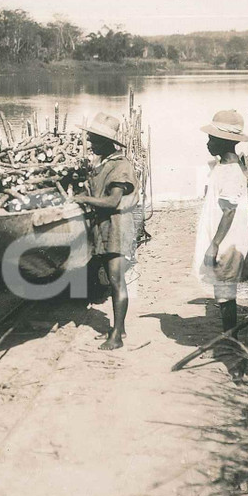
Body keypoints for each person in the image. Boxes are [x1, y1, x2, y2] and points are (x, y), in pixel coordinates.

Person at [74, 112, 138, 351]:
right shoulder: (104, 165)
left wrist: (84, 198)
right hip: (106, 227)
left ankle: (117, 338)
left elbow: (112, 202)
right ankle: (118, 328)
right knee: (113, 280)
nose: (90, 143)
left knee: (116, 280)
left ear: (105, 141)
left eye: (93, 139)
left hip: (118, 226)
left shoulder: (120, 166)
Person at [194, 110, 248, 342]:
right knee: (222, 289)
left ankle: (231, 337)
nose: (208, 143)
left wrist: (215, 244)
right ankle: (229, 335)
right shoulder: (221, 167)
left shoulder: (232, 173)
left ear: (225, 141)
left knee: (226, 291)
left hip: (228, 240)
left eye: (212, 139)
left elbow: (229, 212)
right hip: (221, 236)